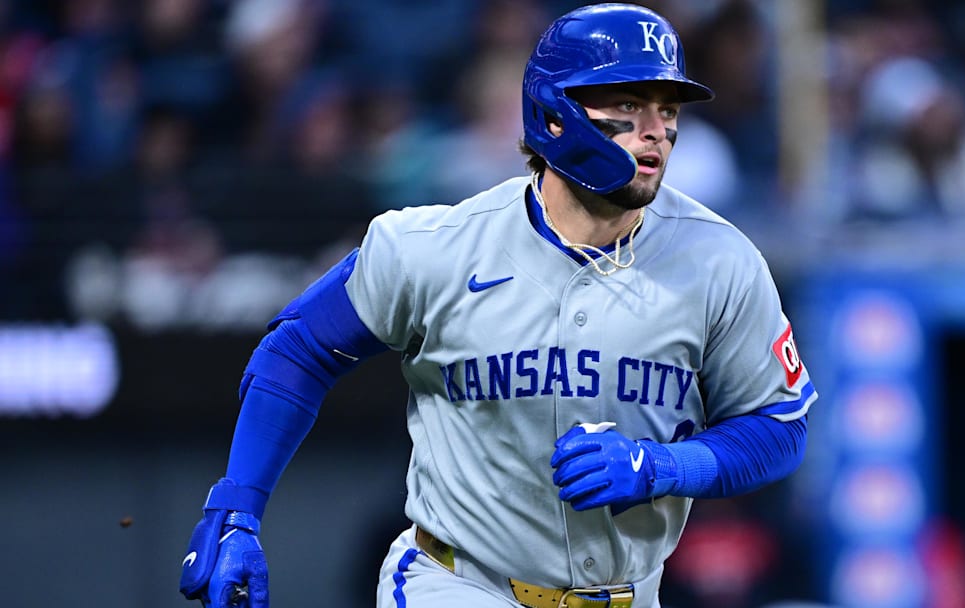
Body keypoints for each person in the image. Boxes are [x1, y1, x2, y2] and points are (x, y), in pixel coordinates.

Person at [178, 4, 817, 607]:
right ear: (554, 115)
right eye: (628, 103)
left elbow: (780, 426)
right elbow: (299, 348)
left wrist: (666, 465)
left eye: (667, 106)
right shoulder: (435, 247)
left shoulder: (720, 260)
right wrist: (235, 509)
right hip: (457, 581)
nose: (657, 130)